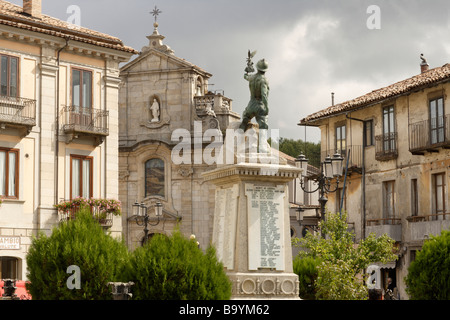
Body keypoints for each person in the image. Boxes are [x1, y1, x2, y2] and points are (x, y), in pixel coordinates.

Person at [239, 59, 269, 132]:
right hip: (260, 105)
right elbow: (264, 95)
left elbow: (245, 76)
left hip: (251, 105)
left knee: (245, 117)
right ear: (265, 70)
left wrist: (247, 71)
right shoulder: (264, 80)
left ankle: (240, 133)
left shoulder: (252, 77)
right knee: (263, 126)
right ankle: (262, 142)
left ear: (257, 68)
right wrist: (266, 108)